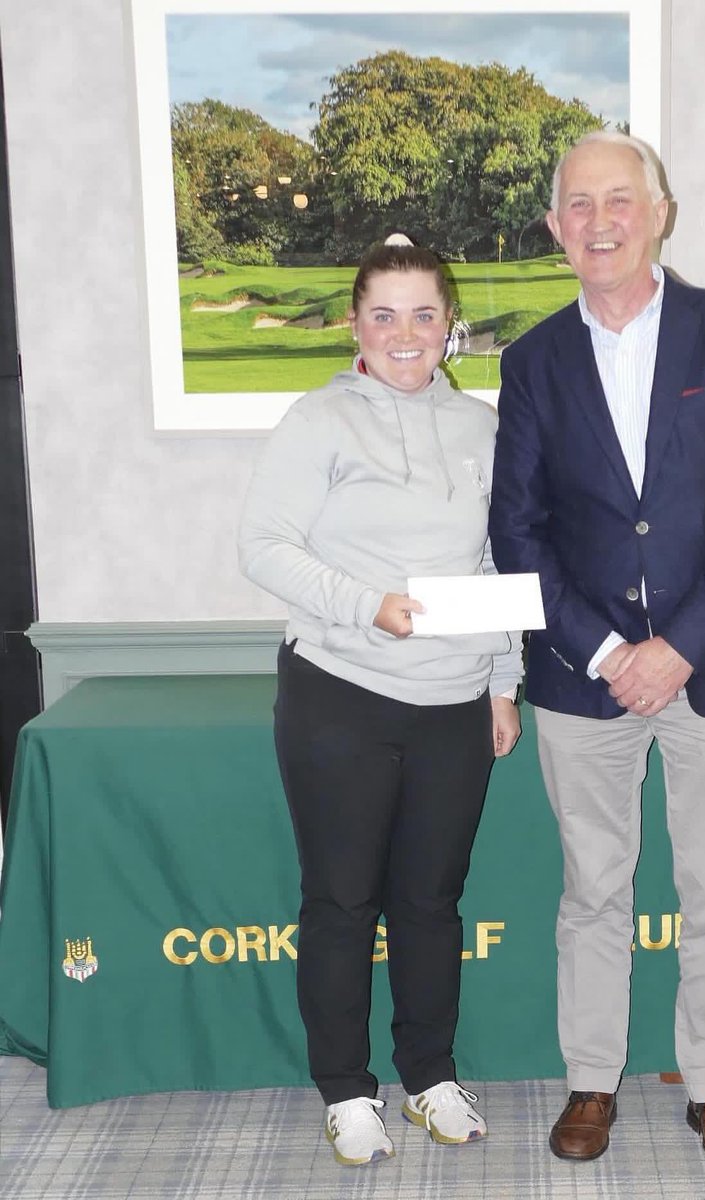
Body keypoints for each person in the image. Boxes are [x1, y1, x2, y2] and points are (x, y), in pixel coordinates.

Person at [487, 131, 705, 1165]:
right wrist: (609, 650)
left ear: (657, 210)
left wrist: (680, 647)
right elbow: (516, 529)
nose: (599, 220)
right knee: (592, 893)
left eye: (619, 199)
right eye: (577, 205)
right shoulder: (531, 359)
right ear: (552, 227)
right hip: (585, 684)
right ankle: (589, 1082)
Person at [238, 235, 522, 1167]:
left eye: (425, 313)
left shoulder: (482, 429)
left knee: (431, 903)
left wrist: (503, 681)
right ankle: (345, 1089)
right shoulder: (317, 421)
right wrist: (370, 607)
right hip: (339, 693)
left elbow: (498, 566)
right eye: (385, 314)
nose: (406, 333)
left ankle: (429, 1076)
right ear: (357, 323)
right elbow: (266, 548)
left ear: (450, 325)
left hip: (454, 704)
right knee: (342, 902)